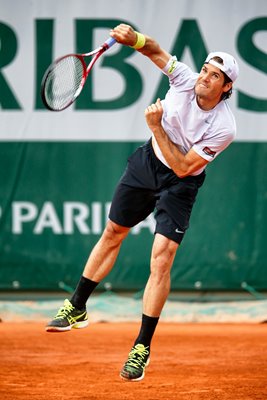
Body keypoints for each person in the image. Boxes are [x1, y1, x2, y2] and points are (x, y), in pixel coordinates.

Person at [46, 23, 239, 382]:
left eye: (216, 77)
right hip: (146, 164)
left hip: (181, 184)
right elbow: (154, 50)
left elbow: (183, 168)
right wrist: (131, 38)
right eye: (206, 70)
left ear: (226, 87)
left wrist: (156, 127)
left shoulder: (224, 127)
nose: (206, 78)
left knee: (161, 259)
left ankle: (142, 347)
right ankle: (77, 305)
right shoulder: (184, 79)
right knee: (113, 231)